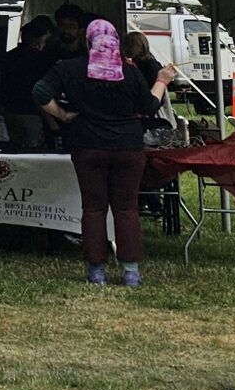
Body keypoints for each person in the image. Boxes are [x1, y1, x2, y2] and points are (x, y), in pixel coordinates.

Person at [34, 18, 172, 287]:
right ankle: (131, 271)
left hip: (87, 145)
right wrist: (162, 80)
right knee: (127, 208)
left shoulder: (70, 68)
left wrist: (62, 114)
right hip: (128, 148)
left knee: (94, 207)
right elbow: (150, 105)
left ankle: (96, 270)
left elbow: (39, 91)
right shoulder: (129, 72)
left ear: (88, 42)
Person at [0, 18, 57, 152]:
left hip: (10, 111)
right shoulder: (41, 59)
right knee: (33, 151)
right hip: (32, 112)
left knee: (16, 149)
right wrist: (51, 121)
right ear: (39, 40)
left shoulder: (9, 57)